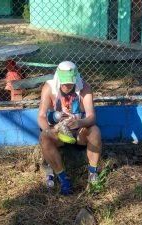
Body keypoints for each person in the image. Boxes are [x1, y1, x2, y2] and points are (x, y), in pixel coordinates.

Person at [37, 61, 102, 195]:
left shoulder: (84, 88)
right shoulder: (49, 87)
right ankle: (63, 179)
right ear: (58, 78)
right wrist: (49, 130)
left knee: (95, 131)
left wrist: (80, 123)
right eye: (64, 83)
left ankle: (93, 172)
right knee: (44, 136)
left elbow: (91, 117)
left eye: (70, 83)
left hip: (78, 131)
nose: (67, 86)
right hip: (58, 132)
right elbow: (41, 116)